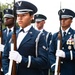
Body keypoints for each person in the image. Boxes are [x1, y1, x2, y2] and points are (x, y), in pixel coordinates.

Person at [2, 1, 48, 75]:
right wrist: (7, 72)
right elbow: (5, 56)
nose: (20, 18)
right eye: (18, 15)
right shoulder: (12, 34)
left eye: (23, 15)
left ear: (31, 17)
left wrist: (22, 59)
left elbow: (43, 61)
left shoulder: (38, 35)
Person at [49, 8, 75, 75]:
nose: (62, 21)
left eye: (65, 19)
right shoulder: (55, 35)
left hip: (71, 70)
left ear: (71, 20)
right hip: (57, 70)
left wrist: (65, 55)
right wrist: (54, 65)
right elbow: (50, 52)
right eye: (61, 19)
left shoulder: (74, 34)